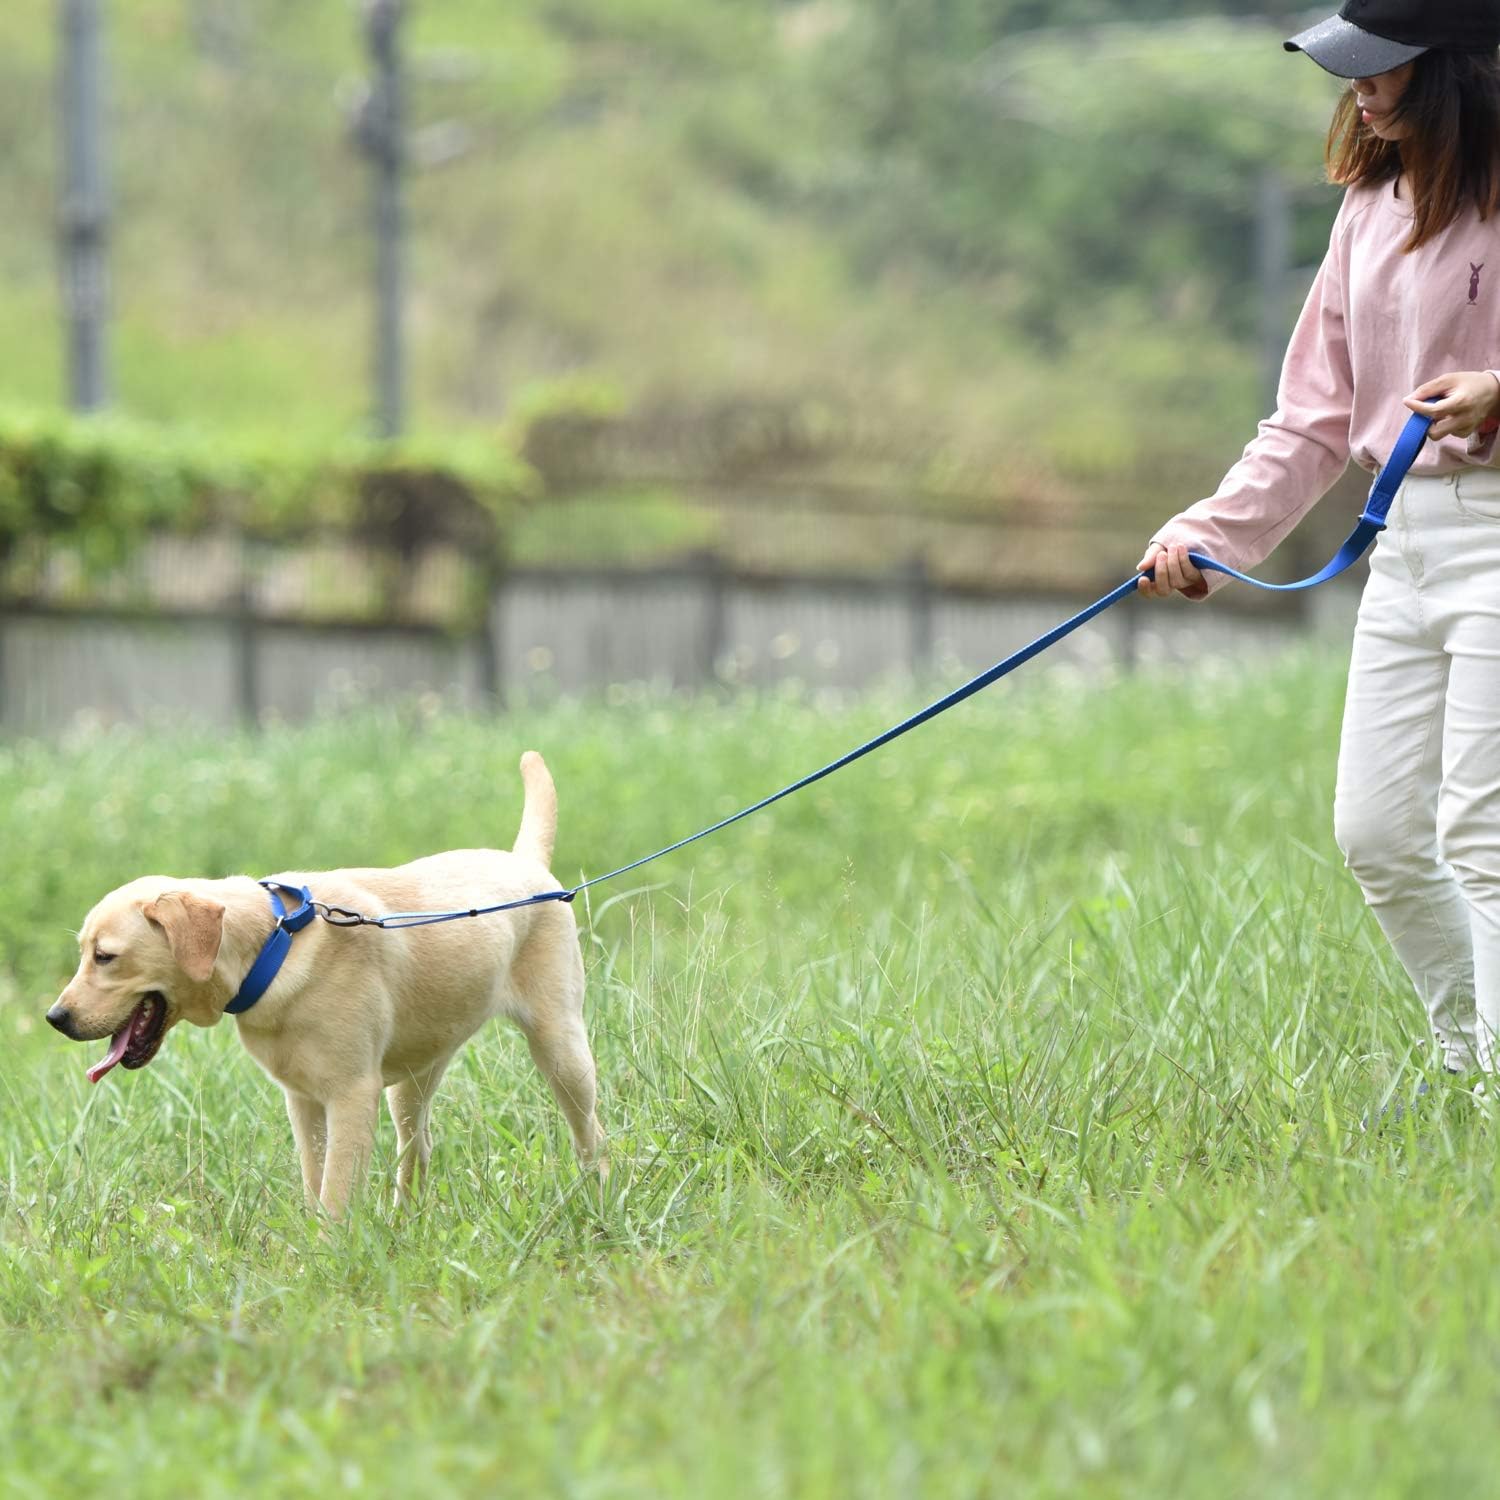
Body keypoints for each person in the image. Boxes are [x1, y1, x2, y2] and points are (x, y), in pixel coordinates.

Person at [1137, 0, 1500, 1076]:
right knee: (1376, 835)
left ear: (1458, 68)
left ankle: (1489, 1094)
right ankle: (1468, 1064)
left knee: (1483, 834)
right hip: (1404, 548)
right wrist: (1209, 535)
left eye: (1383, 67)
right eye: (1353, 66)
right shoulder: (1367, 207)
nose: (1359, 88)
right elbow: (1311, 419)